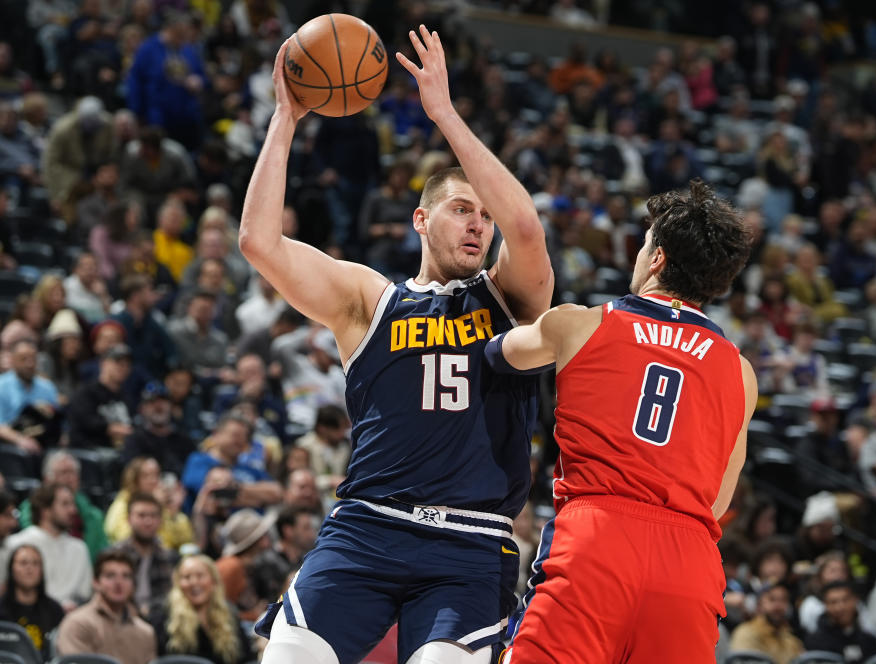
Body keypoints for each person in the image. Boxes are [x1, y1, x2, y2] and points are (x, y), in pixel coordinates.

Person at [241, 26, 552, 664]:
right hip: (367, 528)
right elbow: (259, 242)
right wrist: (285, 117)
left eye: (483, 215)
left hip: (468, 543)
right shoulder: (370, 299)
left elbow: (523, 224)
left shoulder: (509, 298)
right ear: (420, 218)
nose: (478, 224)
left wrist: (443, 112)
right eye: (462, 209)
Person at [488, 179, 754, 662]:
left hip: (597, 539)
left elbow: (493, 353)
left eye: (645, 243)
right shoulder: (740, 369)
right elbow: (718, 500)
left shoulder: (581, 323)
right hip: (689, 561)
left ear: (657, 259)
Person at [56, 548, 157, 664]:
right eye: (110, 576)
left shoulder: (145, 632)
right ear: (96, 582)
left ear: (133, 585)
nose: (119, 582)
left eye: (126, 576)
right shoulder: (78, 623)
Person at [149, 554, 254, 664]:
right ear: (178, 583)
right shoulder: (164, 615)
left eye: (200, 576)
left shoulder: (229, 613)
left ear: (213, 581)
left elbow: (246, 657)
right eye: (186, 577)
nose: (194, 582)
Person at [5, 483, 93, 609]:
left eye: (72, 504)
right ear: (45, 510)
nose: (73, 510)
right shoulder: (16, 544)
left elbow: (85, 594)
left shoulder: (80, 548)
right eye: (65, 504)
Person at [113, 492, 180, 616]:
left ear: (160, 520)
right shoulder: (115, 555)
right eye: (141, 515)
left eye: (153, 516)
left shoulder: (170, 557)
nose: (148, 521)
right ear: (129, 519)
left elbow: (173, 597)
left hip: (162, 619)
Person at [0, 544, 65, 660]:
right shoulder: (1, 608)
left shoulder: (54, 610)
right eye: (23, 563)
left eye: (35, 563)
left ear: (42, 570)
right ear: (11, 568)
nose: (29, 568)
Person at [804, 580, 876, 663]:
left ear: (855, 600)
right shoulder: (814, 642)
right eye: (833, 602)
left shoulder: (870, 641)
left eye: (845, 600)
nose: (840, 607)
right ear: (825, 605)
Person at [729, 580, 806, 664]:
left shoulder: (792, 641)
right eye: (772, 599)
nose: (778, 606)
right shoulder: (746, 633)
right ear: (759, 604)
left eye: (783, 600)